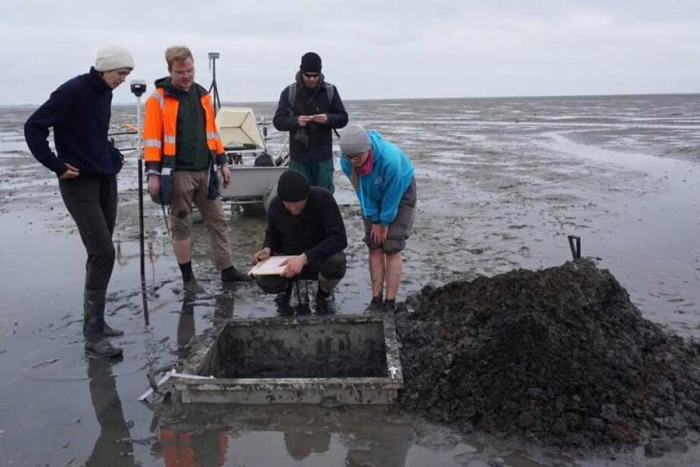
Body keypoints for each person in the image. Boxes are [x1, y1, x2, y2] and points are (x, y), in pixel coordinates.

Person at [24, 45, 135, 358]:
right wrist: (56, 165)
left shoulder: (105, 93)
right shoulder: (71, 91)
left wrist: (112, 155)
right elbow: (33, 127)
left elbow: (96, 133)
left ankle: (97, 322)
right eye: (120, 74)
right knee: (103, 251)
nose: (123, 80)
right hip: (78, 182)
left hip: (104, 178)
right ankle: (92, 337)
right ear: (104, 68)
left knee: (99, 251)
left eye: (127, 75)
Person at [143, 45, 251, 290]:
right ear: (170, 70)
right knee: (181, 224)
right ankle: (188, 278)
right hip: (178, 173)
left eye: (190, 70)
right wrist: (153, 175)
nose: (186, 76)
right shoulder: (157, 98)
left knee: (218, 221)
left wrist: (223, 162)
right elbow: (152, 140)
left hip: (207, 170)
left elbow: (213, 132)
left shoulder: (203, 95)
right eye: (180, 72)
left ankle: (227, 269)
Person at [339, 124, 417, 313]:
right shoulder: (346, 162)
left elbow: (393, 195)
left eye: (358, 156)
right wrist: (374, 219)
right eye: (350, 157)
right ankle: (376, 300)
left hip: (400, 192)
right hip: (370, 196)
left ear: (368, 149)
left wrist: (384, 222)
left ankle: (389, 303)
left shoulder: (389, 160)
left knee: (391, 246)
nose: (354, 161)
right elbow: (361, 191)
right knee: (374, 245)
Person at [252, 170, 347, 315]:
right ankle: (284, 290)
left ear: (306, 197)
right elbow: (272, 235)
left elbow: (339, 238)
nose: (293, 208)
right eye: (288, 204)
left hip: (317, 257)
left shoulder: (323, 198)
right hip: (288, 258)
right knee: (265, 278)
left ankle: (324, 293)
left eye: (298, 203)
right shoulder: (276, 205)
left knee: (337, 262)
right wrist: (267, 250)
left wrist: (305, 258)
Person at [273, 52, 348, 193]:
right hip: (298, 158)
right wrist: (296, 121)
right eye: (308, 75)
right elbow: (278, 121)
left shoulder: (330, 91)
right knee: (298, 196)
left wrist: (328, 119)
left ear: (320, 73)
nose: (312, 79)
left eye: (315, 75)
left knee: (324, 198)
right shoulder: (289, 92)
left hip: (323, 158)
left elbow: (343, 118)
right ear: (301, 72)